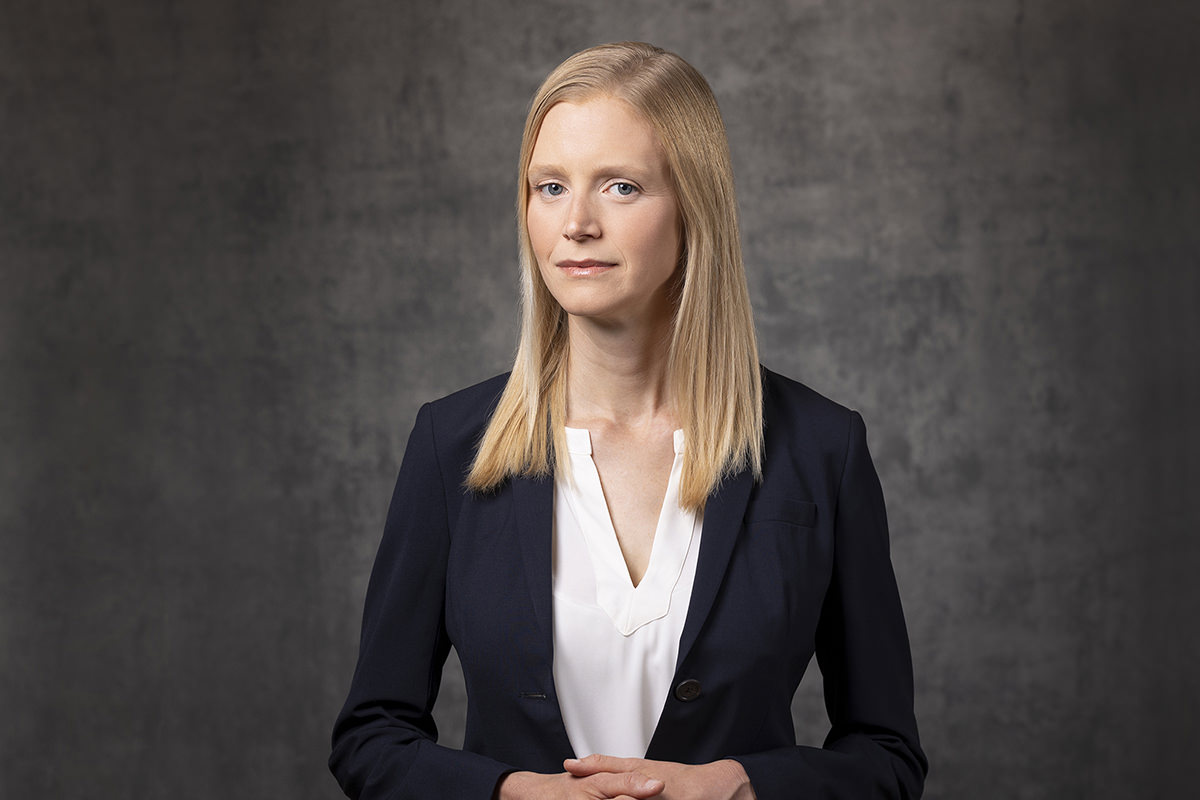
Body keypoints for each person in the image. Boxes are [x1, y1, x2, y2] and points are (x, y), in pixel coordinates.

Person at [329, 41, 927, 800]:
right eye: (549, 187)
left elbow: (887, 756)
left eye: (619, 186)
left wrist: (742, 787)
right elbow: (371, 738)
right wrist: (514, 794)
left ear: (694, 205)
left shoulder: (822, 448)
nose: (575, 223)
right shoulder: (452, 445)